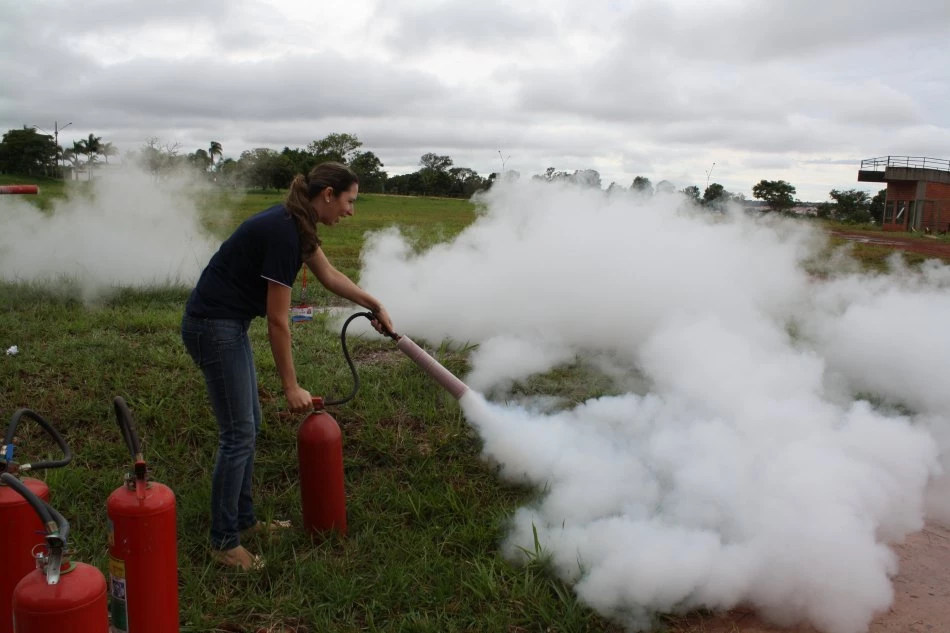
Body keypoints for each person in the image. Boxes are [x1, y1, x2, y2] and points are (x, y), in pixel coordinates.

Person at [181, 162, 394, 570]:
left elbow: (329, 276)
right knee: (237, 434)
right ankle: (223, 542)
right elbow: (279, 321)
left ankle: (244, 522)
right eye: (349, 201)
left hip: (226, 324)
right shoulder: (284, 232)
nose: (351, 211)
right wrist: (291, 387)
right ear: (328, 194)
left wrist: (374, 304)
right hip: (212, 326)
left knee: (248, 427)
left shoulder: (297, 224)